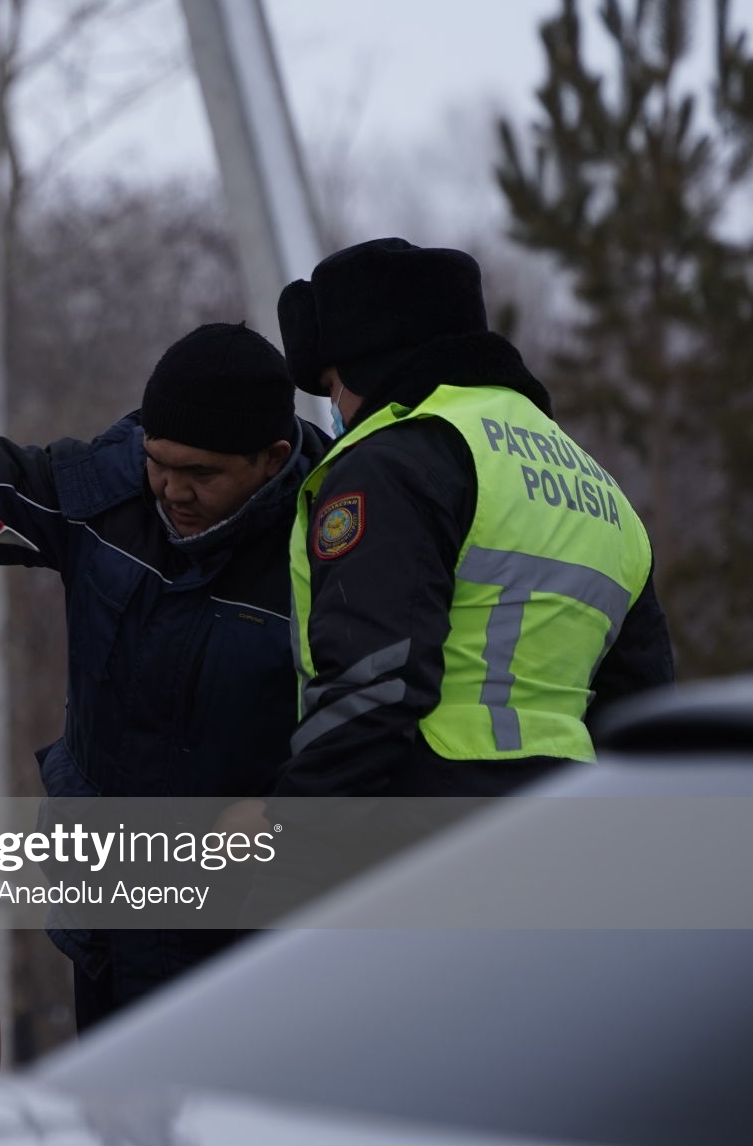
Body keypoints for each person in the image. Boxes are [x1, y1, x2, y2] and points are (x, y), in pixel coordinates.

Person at [0, 322, 329, 1030]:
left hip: (249, 945)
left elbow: (377, 718)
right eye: (160, 462)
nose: (172, 491)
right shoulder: (109, 492)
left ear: (273, 458)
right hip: (109, 924)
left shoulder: (336, 545)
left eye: (202, 474)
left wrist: (285, 814)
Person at [270, 237, 674, 800]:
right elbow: (646, 718)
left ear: (372, 364)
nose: (334, 411)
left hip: (426, 828)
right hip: (567, 833)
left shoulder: (395, 462)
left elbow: (367, 698)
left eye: (334, 386)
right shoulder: (605, 495)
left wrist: (289, 847)